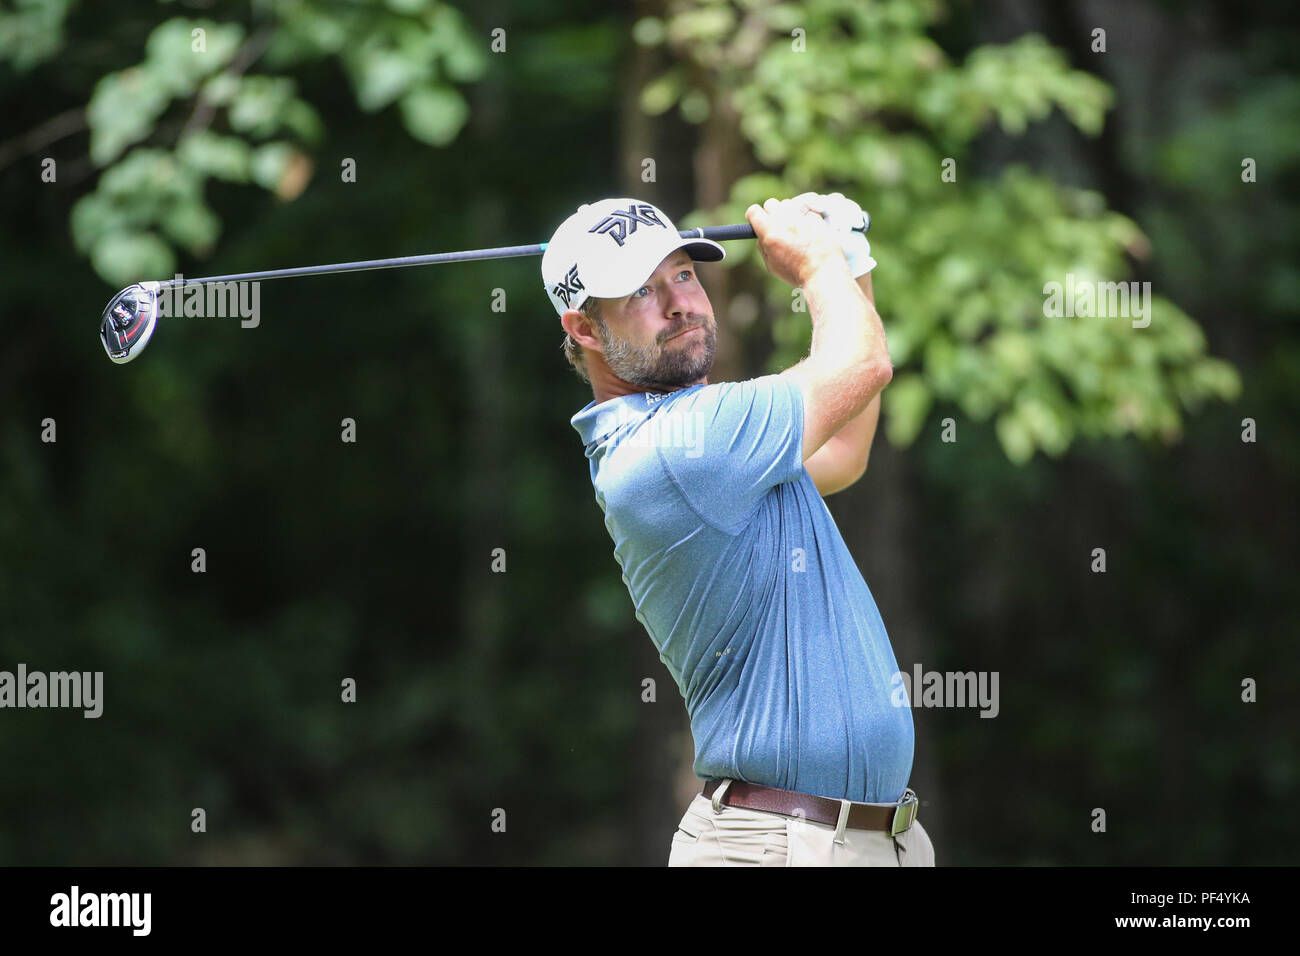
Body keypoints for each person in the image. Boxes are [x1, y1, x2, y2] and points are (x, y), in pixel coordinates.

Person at [541, 194, 934, 866]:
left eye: (684, 275)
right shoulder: (676, 446)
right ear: (583, 329)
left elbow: (844, 452)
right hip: (779, 847)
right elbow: (863, 365)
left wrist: (850, 261)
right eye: (641, 290)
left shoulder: (715, 442)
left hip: (875, 840)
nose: (679, 304)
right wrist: (816, 263)